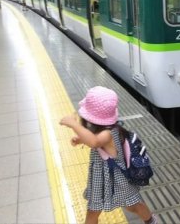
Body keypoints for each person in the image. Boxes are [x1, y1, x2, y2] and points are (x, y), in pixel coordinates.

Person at [60, 86, 157, 224]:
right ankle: (150, 220)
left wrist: (73, 124)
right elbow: (96, 141)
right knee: (94, 210)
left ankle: (151, 221)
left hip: (117, 178)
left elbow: (94, 142)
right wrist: (81, 139)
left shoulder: (107, 133)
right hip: (101, 178)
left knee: (133, 205)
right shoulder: (107, 129)